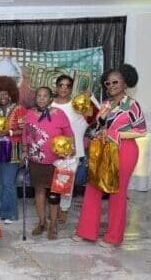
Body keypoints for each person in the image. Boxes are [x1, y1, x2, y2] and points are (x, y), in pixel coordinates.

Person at [74, 64, 146, 247]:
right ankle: (86, 232)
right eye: (108, 83)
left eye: (116, 82)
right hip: (103, 150)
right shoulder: (105, 104)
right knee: (93, 188)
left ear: (125, 83)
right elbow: (99, 125)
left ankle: (113, 237)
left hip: (125, 151)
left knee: (117, 192)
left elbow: (141, 131)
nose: (111, 85)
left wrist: (116, 135)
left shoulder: (132, 105)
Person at [22, 87, 74, 240]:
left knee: (54, 194)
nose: (42, 98)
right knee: (39, 191)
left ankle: (53, 225)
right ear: (35, 97)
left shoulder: (59, 114)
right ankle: (42, 222)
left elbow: (69, 134)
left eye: (45, 96)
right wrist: (25, 150)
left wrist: (70, 150)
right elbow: (25, 134)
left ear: (50, 98)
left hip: (55, 161)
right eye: (39, 95)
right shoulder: (29, 114)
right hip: (35, 160)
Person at [51, 74, 99, 225]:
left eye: (67, 86)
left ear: (71, 89)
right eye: (61, 85)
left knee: (66, 183)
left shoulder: (78, 104)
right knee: (52, 182)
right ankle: (53, 208)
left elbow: (96, 115)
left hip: (72, 150)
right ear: (56, 87)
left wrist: (91, 98)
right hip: (51, 151)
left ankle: (64, 209)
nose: (64, 88)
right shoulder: (49, 105)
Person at [0, 76, 27, 224]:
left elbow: (24, 131)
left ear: (11, 94)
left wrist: (8, 133)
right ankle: (3, 211)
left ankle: (11, 213)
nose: (2, 97)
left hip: (14, 147)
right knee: (1, 182)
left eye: (5, 94)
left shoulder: (19, 109)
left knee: (8, 182)